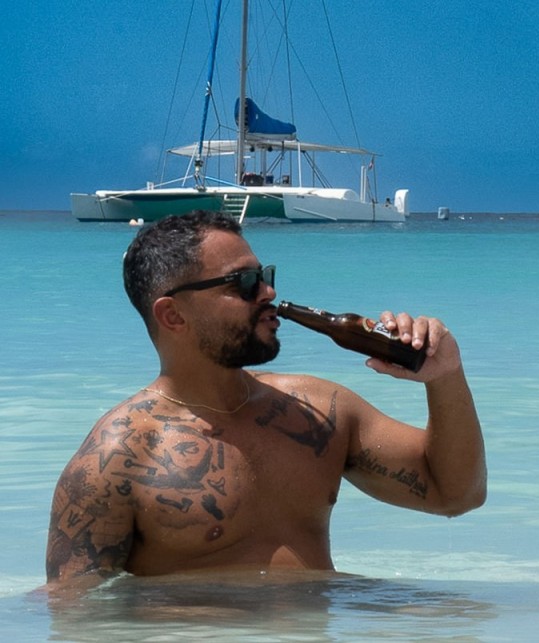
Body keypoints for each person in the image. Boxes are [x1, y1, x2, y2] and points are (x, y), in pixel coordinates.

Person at [45, 210, 486, 590]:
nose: (268, 293)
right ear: (173, 314)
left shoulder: (317, 411)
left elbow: (455, 495)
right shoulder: (117, 459)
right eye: (244, 283)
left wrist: (445, 376)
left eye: (265, 276)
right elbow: (76, 612)